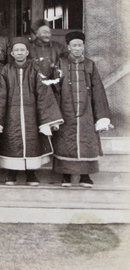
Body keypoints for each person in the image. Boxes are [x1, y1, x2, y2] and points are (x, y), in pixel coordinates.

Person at [0, 37, 63, 186]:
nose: (19, 53)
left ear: (27, 52)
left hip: (31, 115)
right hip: (11, 115)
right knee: (10, 142)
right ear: (12, 53)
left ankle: (31, 174)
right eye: (16, 50)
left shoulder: (36, 69)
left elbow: (44, 94)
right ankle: (11, 173)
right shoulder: (6, 70)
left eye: (22, 50)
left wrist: (45, 119)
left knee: (33, 142)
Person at [52, 31, 113, 188]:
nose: (77, 48)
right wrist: (54, 114)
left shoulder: (90, 65)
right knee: (65, 141)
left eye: (80, 45)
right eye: (74, 45)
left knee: (87, 141)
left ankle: (85, 176)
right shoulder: (61, 64)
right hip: (66, 110)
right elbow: (55, 89)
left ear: (84, 47)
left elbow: (98, 90)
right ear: (69, 47)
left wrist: (101, 116)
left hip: (86, 112)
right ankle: (66, 175)